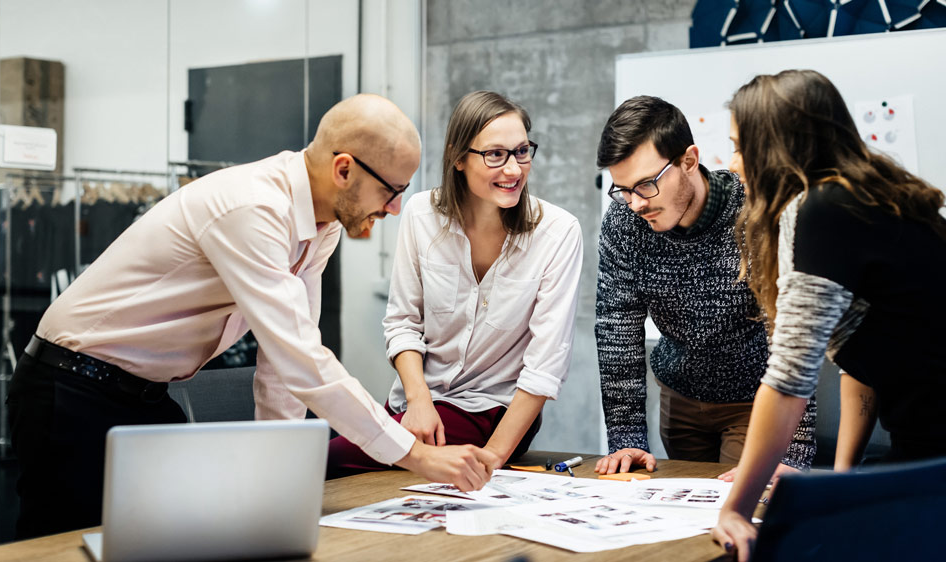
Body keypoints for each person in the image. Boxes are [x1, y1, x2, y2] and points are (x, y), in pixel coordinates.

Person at [5, 94, 499, 539]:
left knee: (169, 542)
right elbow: (302, 358)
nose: (394, 209)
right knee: (58, 548)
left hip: (142, 396)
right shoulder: (253, 208)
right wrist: (416, 455)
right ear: (344, 170)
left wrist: (275, 476)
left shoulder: (320, 227)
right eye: (390, 191)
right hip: (69, 388)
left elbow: (283, 366)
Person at [713, 69, 946, 561]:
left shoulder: (822, 209)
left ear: (773, 146)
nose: (733, 164)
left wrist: (736, 507)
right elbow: (867, 356)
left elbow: (788, 380)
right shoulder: (877, 195)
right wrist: (844, 479)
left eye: (739, 146)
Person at [327, 91, 583, 478]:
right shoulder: (420, 215)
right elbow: (402, 323)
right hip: (417, 404)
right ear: (459, 158)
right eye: (495, 154)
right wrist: (418, 402)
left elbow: (545, 365)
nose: (513, 169)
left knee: (324, 460)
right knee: (324, 446)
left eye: (522, 151)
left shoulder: (558, 232)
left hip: (493, 412)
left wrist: (494, 457)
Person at [591, 95, 816, 478]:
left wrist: (793, 452)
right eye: (623, 189)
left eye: (645, 185)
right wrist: (627, 435)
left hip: (755, 400)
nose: (634, 204)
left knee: (742, 509)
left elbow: (791, 333)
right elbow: (617, 327)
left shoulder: (755, 213)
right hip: (679, 398)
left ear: (689, 161)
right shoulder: (624, 223)